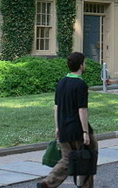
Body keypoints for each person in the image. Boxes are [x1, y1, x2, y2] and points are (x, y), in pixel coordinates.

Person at [38, 52, 97, 188]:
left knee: (66, 159)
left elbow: (56, 107)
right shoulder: (81, 85)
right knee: (88, 157)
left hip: (64, 128)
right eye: (85, 63)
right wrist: (85, 132)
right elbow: (82, 109)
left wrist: (58, 127)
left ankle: (47, 183)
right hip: (77, 129)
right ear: (81, 65)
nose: (85, 65)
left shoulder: (62, 82)